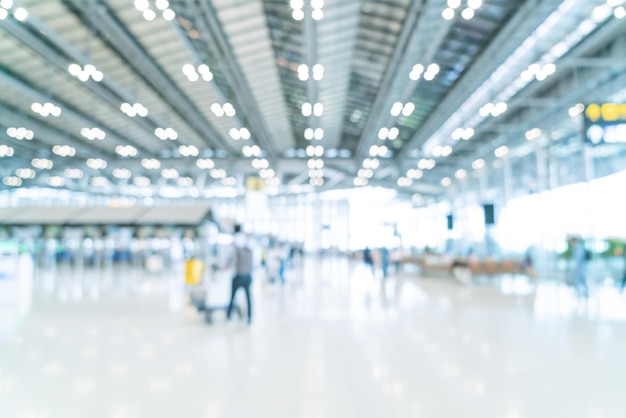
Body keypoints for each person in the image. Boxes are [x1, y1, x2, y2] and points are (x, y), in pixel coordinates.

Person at [226, 224, 253, 323]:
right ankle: (249, 317)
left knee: (232, 296)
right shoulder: (247, 240)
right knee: (248, 298)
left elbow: (231, 259)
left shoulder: (234, 241)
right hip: (248, 274)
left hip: (238, 274)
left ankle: (229, 316)